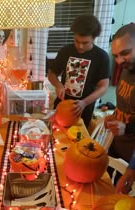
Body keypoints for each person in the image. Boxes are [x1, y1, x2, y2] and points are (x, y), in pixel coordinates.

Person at [48, 15, 110, 129]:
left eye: (85, 42)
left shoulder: (102, 57)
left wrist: (84, 103)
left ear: (93, 38)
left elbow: (103, 87)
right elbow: (52, 74)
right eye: (77, 41)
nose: (80, 46)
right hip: (61, 106)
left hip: (83, 110)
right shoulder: (65, 51)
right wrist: (58, 85)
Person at [104, 23, 135, 163]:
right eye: (115, 55)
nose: (119, 61)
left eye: (125, 53)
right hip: (117, 147)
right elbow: (125, 106)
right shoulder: (126, 67)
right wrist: (114, 116)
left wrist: (127, 127)